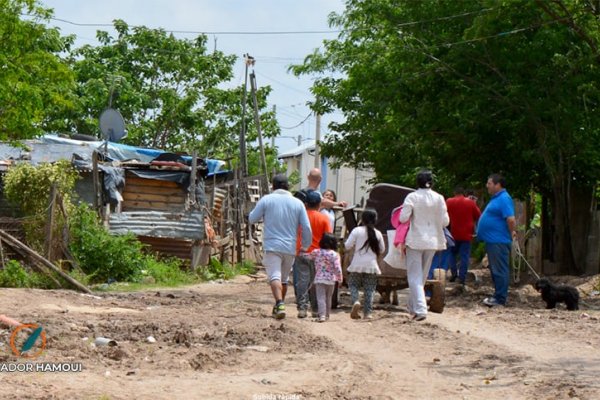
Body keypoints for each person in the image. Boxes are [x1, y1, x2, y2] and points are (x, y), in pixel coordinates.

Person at [249, 174, 312, 319]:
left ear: (273, 185)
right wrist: (306, 245)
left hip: (272, 245)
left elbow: (252, 218)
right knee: (283, 279)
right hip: (290, 246)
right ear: (288, 186)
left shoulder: (267, 199)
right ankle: (279, 306)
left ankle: (279, 303)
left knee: (274, 276)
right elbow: (306, 227)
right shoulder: (298, 203)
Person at [399, 170, 449, 321]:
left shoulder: (412, 197)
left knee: (414, 276)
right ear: (431, 182)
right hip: (433, 241)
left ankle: (420, 310)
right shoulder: (439, 198)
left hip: (415, 240)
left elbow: (403, 218)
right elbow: (445, 222)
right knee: (422, 276)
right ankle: (413, 307)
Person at [476, 173, 516, 307]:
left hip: (499, 241)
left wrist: (512, 232)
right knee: (495, 270)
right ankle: (498, 296)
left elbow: (510, 219)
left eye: (489, 183)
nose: (487, 186)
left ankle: (500, 298)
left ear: (498, 185)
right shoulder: (496, 198)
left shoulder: (504, 198)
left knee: (500, 270)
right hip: (493, 241)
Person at [293, 190, 332, 318]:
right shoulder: (324, 218)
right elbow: (328, 238)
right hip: (318, 255)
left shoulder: (300, 217)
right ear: (319, 204)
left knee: (302, 282)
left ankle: (302, 309)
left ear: (306, 203)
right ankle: (315, 309)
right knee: (317, 282)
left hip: (302, 252)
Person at [344, 208, 385, 320]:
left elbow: (347, 246)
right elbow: (382, 250)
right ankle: (368, 313)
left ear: (362, 219)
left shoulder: (357, 231)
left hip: (356, 265)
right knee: (370, 289)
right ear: (375, 219)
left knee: (352, 284)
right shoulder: (378, 233)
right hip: (372, 266)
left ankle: (356, 301)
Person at [446, 186, 481, 285]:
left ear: (454, 192)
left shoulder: (449, 201)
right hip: (467, 234)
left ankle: (453, 273)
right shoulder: (470, 202)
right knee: (464, 256)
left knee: (451, 253)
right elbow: (479, 215)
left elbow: (444, 215)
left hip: (453, 233)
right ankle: (462, 277)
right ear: (464, 193)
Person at [305, 233, 342, 322]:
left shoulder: (316, 252)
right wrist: (340, 278)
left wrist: (301, 252)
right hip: (331, 280)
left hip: (320, 279)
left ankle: (321, 316)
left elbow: (308, 257)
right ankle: (327, 315)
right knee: (328, 298)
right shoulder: (334, 254)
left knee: (320, 297)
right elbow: (337, 267)